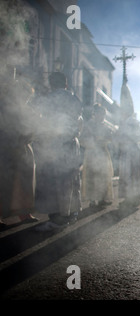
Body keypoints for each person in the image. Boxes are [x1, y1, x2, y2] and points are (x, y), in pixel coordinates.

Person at [33, 72, 83, 232]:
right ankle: (70, 214)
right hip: (72, 144)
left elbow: (43, 123)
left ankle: (57, 219)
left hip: (56, 144)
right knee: (70, 179)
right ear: (66, 84)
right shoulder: (75, 99)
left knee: (54, 181)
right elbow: (79, 122)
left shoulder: (49, 99)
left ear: (51, 84)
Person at [0, 72, 39, 229]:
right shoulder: (4, 108)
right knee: (4, 183)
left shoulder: (28, 109)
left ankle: (24, 213)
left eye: (27, 96)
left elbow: (34, 128)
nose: (26, 99)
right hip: (5, 149)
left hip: (24, 149)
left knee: (24, 183)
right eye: (23, 95)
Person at [80, 104, 115, 207]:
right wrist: (94, 141)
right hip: (91, 153)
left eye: (103, 114)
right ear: (95, 114)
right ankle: (92, 199)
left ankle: (102, 198)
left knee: (103, 176)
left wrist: (109, 137)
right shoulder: (89, 125)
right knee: (91, 176)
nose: (102, 116)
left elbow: (111, 139)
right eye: (100, 113)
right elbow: (82, 139)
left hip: (103, 153)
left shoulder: (106, 126)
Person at [116, 110, 140, 209]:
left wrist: (128, 138)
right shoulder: (124, 122)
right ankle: (130, 199)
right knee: (129, 174)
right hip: (127, 151)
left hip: (132, 151)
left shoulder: (133, 122)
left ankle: (133, 199)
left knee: (132, 174)